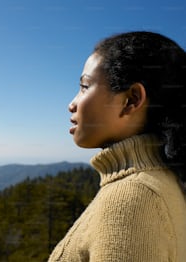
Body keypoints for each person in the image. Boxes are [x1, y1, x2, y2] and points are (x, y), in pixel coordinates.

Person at [48, 31, 186, 261]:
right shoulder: (165, 181)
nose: (71, 104)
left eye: (84, 86)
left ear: (131, 100)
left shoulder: (130, 201)